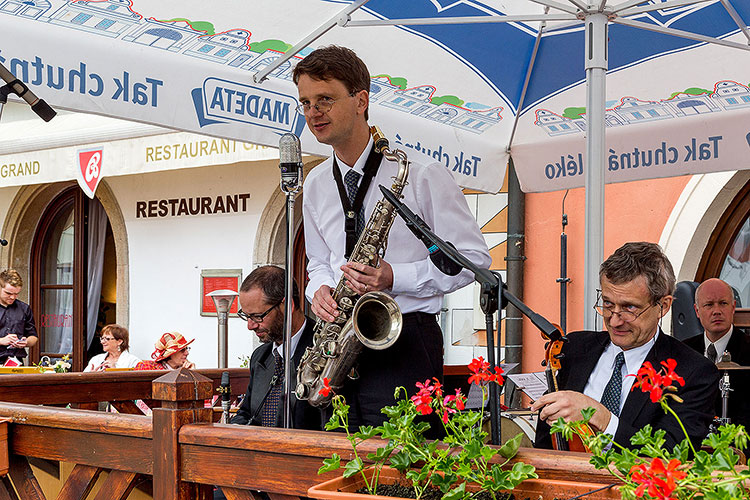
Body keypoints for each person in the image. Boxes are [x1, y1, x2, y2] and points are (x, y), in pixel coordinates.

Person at [293, 45, 491, 427]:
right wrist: (317, 289)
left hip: (406, 342)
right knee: (341, 466)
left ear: (361, 100)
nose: (313, 113)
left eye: (324, 100)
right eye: (305, 103)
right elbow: (318, 262)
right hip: (338, 343)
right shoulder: (316, 183)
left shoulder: (421, 173)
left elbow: (474, 261)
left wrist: (394, 276)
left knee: (404, 473)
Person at [532, 242, 719, 450]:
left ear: (663, 306)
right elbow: (545, 440)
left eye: (630, 308)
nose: (614, 321)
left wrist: (600, 417)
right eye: (608, 304)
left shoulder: (694, 372)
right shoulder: (574, 348)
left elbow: (671, 453)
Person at [230, 265, 323, 429]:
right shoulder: (260, 356)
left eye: (257, 316)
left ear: (288, 306)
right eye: (246, 316)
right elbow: (246, 413)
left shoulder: (323, 350)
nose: (250, 326)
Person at [684, 278, 750, 430]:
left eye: (723, 303)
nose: (717, 311)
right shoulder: (683, 351)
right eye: (709, 305)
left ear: (733, 307)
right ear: (697, 311)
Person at [0, 269, 38, 365]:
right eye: (8, 293)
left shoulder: (24, 308)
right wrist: (1, 341)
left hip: (16, 362)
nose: (12, 297)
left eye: (16, 294)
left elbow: (33, 337)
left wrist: (26, 342)